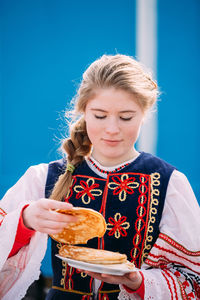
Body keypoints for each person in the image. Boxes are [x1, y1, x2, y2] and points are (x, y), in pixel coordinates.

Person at [0, 54, 200, 300]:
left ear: (144, 113)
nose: (112, 129)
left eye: (126, 117)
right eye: (100, 115)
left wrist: (138, 281)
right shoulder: (43, 177)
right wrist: (25, 220)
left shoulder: (170, 184)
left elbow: (192, 279)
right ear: (83, 111)